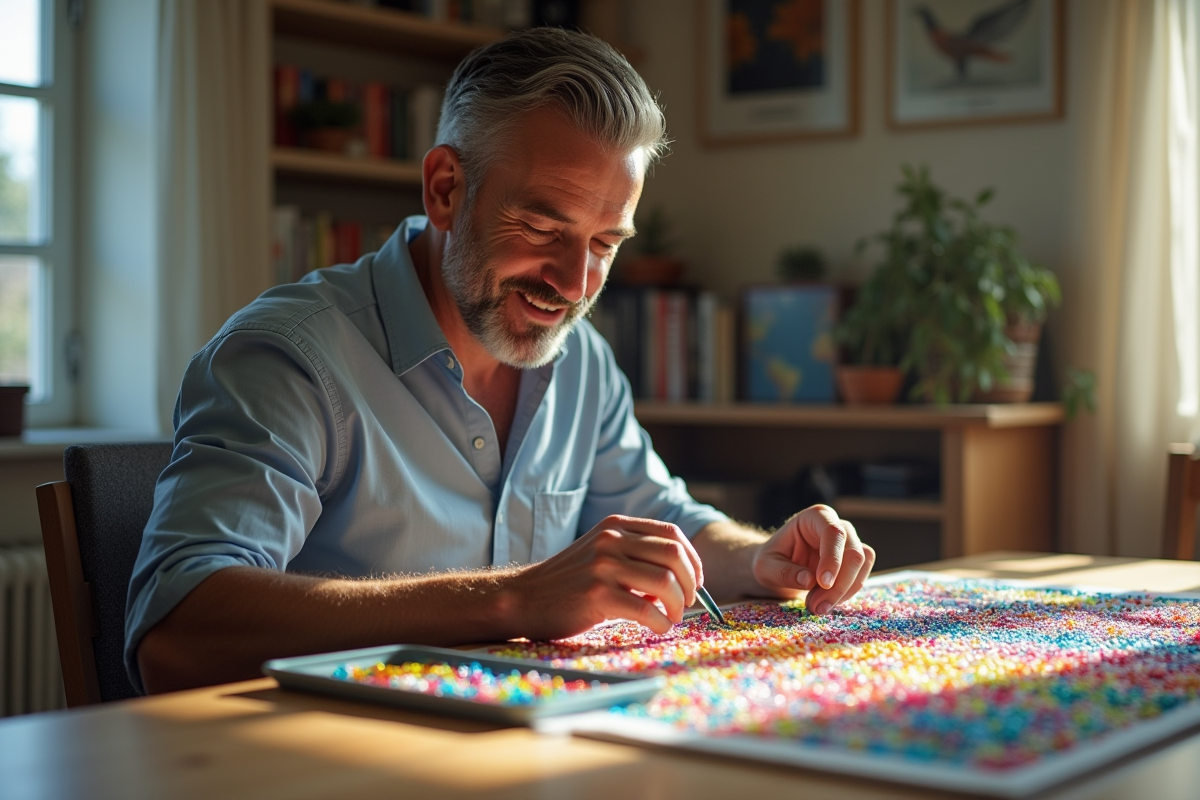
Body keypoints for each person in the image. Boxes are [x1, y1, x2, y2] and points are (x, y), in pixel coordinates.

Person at [126, 27, 875, 695]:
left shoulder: (581, 361)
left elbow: (665, 524)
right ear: (446, 189)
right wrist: (518, 599)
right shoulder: (288, 356)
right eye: (543, 229)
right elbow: (177, 633)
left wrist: (762, 556)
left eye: (605, 244)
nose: (575, 285)